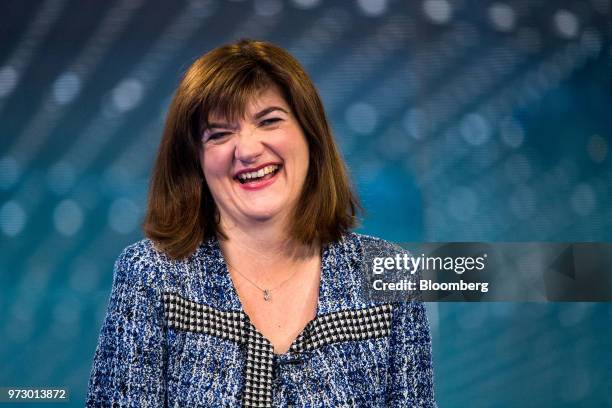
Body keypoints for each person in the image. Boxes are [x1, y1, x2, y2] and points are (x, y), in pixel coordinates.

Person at [86, 39, 436, 407]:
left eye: (269, 121)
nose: (248, 150)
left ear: (310, 135)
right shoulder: (150, 276)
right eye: (220, 134)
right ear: (196, 161)